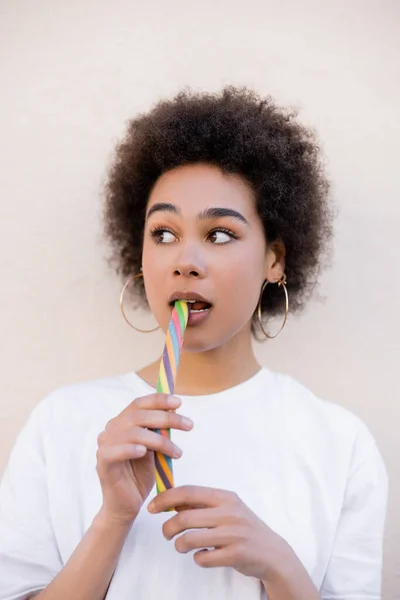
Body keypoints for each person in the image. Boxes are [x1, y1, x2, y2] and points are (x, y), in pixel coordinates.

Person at [0, 87, 388, 600]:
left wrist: (281, 569)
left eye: (220, 234)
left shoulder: (340, 442)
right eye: (163, 233)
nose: (185, 260)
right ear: (139, 256)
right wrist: (113, 520)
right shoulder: (61, 421)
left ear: (274, 259)